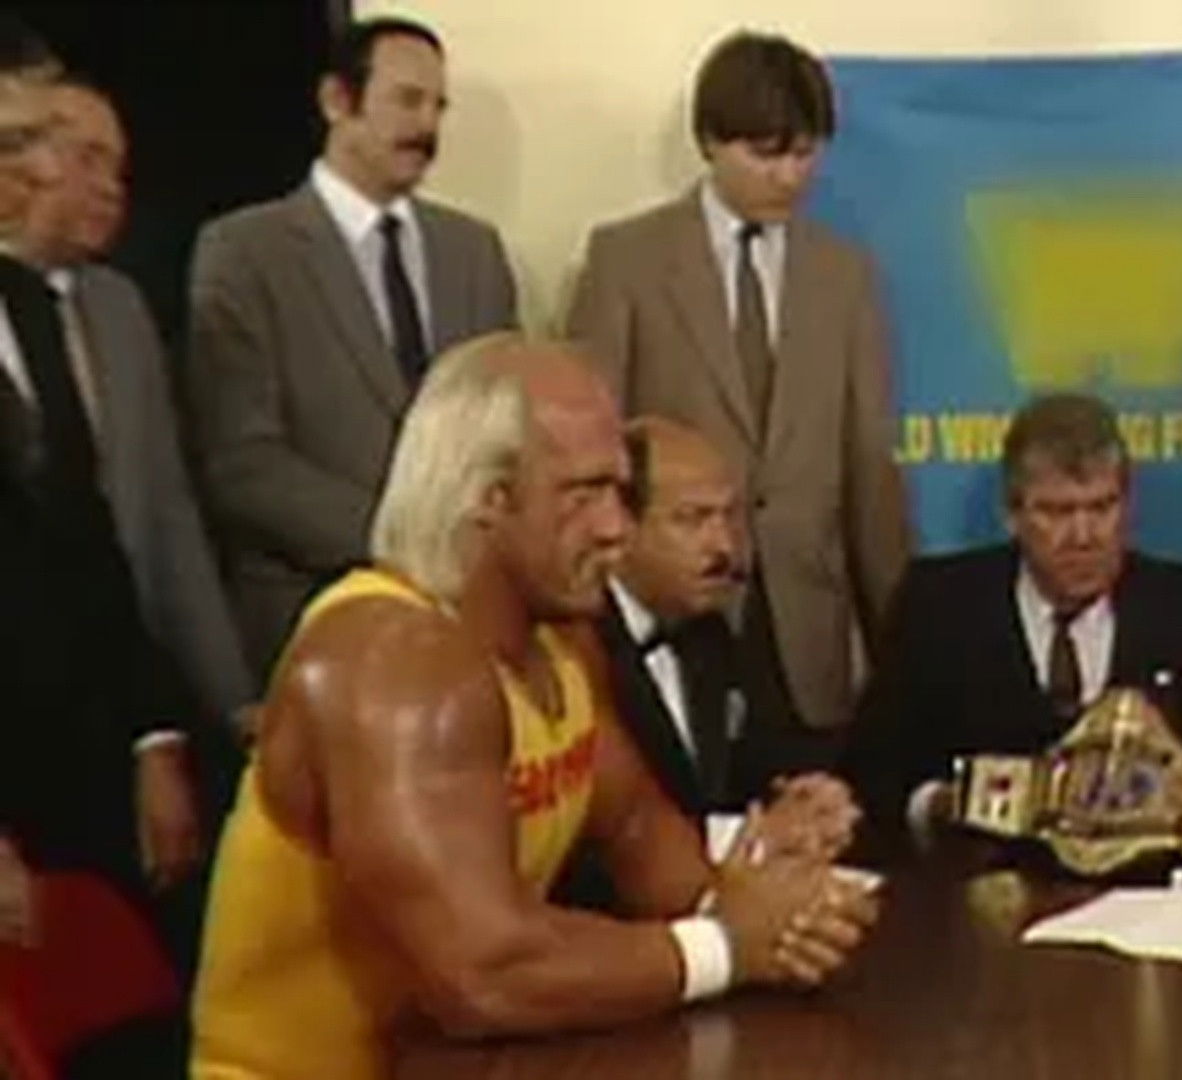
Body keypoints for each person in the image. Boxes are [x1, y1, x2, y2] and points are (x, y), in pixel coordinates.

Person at [192, 335, 879, 1080]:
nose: (616, 527)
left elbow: (652, 851)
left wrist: (787, 913)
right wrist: (726, 946)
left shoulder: (561, 650)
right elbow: (485, 974)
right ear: (489, 500)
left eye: (620, 492)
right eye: (584, 494)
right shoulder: (393, 661)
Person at [566, 29, 911, 747]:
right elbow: (594, 452)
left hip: (808, 631)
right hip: (671, 620)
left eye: (805, 153)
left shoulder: (845, 275)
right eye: (765, 154)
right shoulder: (627, 260)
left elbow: (868, 468)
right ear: (709, 141)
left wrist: (898, 641)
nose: (789, 176)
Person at [186, 16, 518, 679]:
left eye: (439, 106)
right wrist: (406, 543)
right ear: (337, 100)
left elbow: (506, 426)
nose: (428, 126)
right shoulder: (246, 252)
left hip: (469, 621)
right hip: (314, 614)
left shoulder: (472, 252)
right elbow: (243, 463)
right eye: (408, 100)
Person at [842, 392, 1182, 848]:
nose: (1083, 537)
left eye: (1102, 507)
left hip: (1150, 881)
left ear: (1127, 505)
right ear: (1011, 514)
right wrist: (945, 805)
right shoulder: (939, 605)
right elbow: (868, 778)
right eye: (1056, 512)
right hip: (976, 875)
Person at [0, 12, 200, 929]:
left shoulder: (33, 312)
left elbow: (90, 547)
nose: (45, 172)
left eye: (45, 141)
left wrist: (153, 738)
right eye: (17, 143)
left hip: (75, 775)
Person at [15, 76, 254, 733]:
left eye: (118, 169)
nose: (110, 187)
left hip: (124, 690)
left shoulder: (120, 308)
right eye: (88, 158)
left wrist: (232, 698)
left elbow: (169, 520)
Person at [583, 415, 858, 864]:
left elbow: (748, 771)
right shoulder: (580, 648)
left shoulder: (707, 635)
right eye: (693, 520)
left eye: (728, 516)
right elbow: (604, 836)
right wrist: (748, 836)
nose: (724, 546)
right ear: (621, 525)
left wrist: (803, 799)